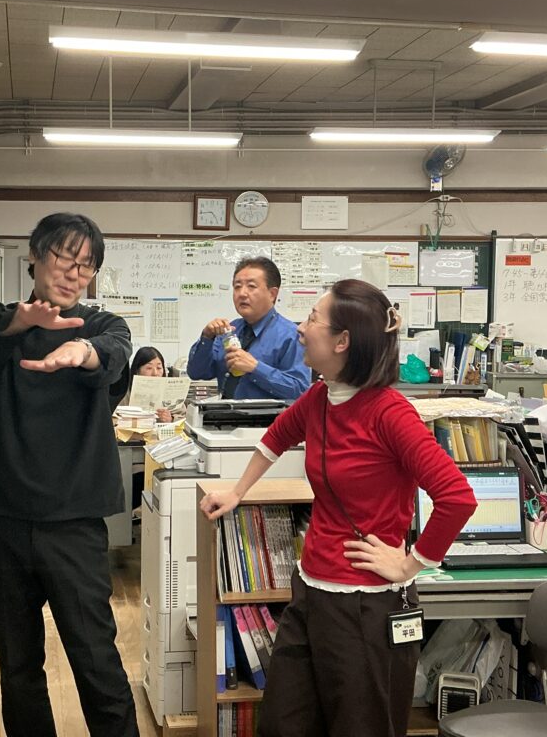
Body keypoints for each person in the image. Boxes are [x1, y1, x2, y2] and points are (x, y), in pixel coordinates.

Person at [199, 279, 477, 737]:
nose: (300, 328)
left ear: (342, 341)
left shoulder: (390, 412)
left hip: (366, 607)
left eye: (312, 318)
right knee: (283, 724)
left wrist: (411, 564)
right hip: (310, 592)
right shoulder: (320, 397)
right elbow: (276, 437)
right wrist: (238, 492)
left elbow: (457, 497)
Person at [0, 213, 137, 737]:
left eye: (86, 265)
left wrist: (82, 351)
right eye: (64, 257)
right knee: (18, 665)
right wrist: (24, 322)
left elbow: (114, 352)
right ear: (34, 255)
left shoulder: (102, 326)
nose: (74, 273)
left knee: (97, 661)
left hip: (72, 524)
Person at [186, 256, 309, 400]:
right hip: (223, 412)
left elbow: (300, 390)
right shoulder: (229, 330)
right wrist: (206, 337)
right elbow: (197, 373)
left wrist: (255, 368)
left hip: (270, 415)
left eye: (251, 286)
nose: (242, 293)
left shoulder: (292, 335)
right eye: (237, 286)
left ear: (272, 294)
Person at [123, 346, 184, 422]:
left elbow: (185, 418)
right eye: (149, 368)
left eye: (159, 368)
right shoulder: (124, 392)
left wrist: (171, 419)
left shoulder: (171, 390)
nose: (155, 373)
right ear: (137, 371)